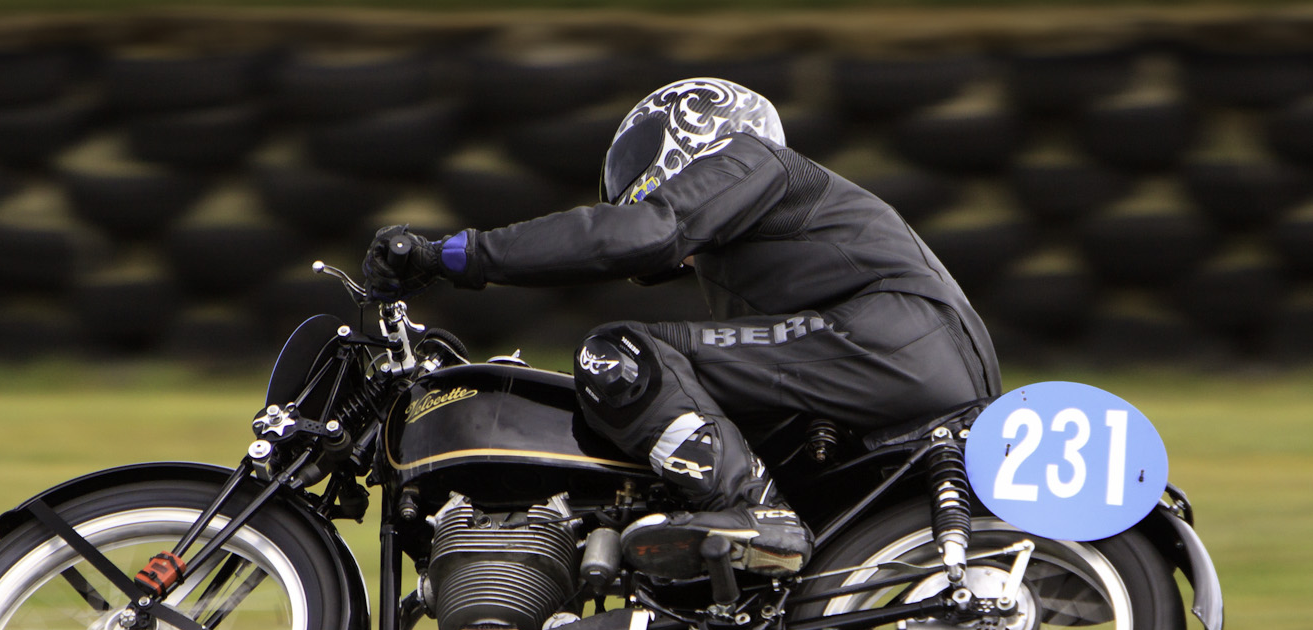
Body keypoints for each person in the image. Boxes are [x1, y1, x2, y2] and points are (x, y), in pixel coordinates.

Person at [364, 77, 1001, 581]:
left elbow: (646, 231)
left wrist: (453, 255)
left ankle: (752, 513)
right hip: (899, 352)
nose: (630, 183)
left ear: (693, 130)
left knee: (621, 351)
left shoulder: (755, 160)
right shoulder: (759, 254)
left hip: (892, 341)